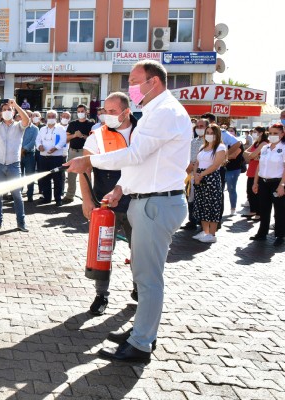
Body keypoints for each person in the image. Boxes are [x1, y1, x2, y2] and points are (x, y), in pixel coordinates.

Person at [65, 60, 190, 363]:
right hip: (147, 200)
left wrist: (90, 162)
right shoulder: (154, 112)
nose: (131, 87)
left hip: (156, 203)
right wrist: (121, 189)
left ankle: (141, 343)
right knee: (143, 274)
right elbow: (145, 162)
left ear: (154, 82)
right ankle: (141, 331)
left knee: (148, 280)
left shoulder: (164, 112)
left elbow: (135, 154)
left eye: (135, 81)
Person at [80, 92, 138, 315]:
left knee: (139, 251)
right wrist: (86, 200)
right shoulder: (97, 135)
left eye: (113, 112)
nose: (107, 116)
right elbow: (85, 168)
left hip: (136, 201)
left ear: (126, 111)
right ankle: (101, 295)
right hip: (105, 203)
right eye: (105, 111)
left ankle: (138, 290)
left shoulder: (141, 132)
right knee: (102, 251)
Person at [0, 98, 31, 232]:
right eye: (4, 109)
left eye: (9, 109)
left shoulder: (19, 126)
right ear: (1, 113)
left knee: (17, 195)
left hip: (13, 165)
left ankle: (21, 222)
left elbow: (27, 120)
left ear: (14, 112)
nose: (7, 111)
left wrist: (16, 104)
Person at [251, 123, 285, 246]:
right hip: (263, 182)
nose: (272, 136)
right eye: (270, 133)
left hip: (277, 182)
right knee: (264, 209)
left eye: (276, 133)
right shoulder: (265, 148)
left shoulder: (283, 148)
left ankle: (280, 235)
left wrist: (282, 185)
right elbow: (259, 166)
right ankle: (262, 233)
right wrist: (255, 182)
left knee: (279, 211)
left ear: (282, 134)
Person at [192, 124, 227, 243]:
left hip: (211, 178)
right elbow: (197, 162)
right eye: (207, 132)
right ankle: (205, 231)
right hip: (200, 178)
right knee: (201, 204)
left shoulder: (220, 147)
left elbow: (216, 165)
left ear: (217, 134)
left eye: (212, 133)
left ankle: (212, 234)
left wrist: (201, 175)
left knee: (212, 205)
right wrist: (196, 174)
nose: (209, 135)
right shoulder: (203, 147)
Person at [63, 104, 95, 204]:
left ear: (86, 112)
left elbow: (93, 139)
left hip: (84, 152)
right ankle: (69, 195)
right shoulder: (72, 124)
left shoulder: (91, 125)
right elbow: (66, 139)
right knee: (71, 174)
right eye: (79, 111)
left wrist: (82, 136)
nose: (80, 113)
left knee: (86, 175)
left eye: (82, 111)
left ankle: (87, 198)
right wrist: (74, 135)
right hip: (72, 151)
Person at [36, 110, 67, 205]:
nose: (51, 118)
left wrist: (55, 148)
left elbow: (63, 141)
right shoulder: (42, 129)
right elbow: (37, 140)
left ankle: (58, 199)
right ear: (46, 118)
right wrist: (39, 146)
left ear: (56, 118)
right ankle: (47, 197)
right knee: (45, 179)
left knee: (57, 179)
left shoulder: (61, 128)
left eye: (53, 116)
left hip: (56, 157)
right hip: (44, 157)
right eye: (49, 116)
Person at [182, 118, 208, 231]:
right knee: (190, 198)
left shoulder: (210, 142)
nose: (199, 128)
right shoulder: (193, 141)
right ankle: (192, 220)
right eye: (197, 126)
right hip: (191, 174)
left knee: (202, 199)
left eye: (202, 126)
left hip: (204, 174)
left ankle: (203, 224)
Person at [243, 127, 268, 220]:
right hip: (251, 170)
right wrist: (253, 155)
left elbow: (251, 155)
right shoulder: (255, 143)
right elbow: (245, 153)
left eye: (255, 132)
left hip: (258, 171)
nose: (253, 133)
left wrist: (252, 155)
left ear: (261, 133)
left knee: (256, 192)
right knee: (249, 192)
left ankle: (259, 213)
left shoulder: (264, 143)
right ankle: (253, 210)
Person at [223, 127, 244, 215]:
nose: (230, 132)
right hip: (223, 169)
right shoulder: (225, 143)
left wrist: (221, 156)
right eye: (229, 131)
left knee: (231, 189)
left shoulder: (238, 144)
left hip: (233, 169)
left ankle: (233, 208)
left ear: (235, 133)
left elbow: (234, 155)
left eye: (232, 131)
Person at [21, 110, 38, 202]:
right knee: (18, 176)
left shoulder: (35, 129)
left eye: (29, 115)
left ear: (31, 117)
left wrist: (24, 149)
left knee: (29, 176)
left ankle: (30, 195)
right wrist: (19, 151)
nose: (27, 117)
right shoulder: (18, 127)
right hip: (18, 154)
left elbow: (33, 142)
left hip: (29, 155)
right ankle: (18, 194)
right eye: (25, 115)